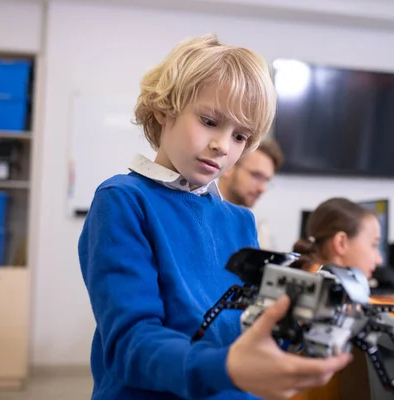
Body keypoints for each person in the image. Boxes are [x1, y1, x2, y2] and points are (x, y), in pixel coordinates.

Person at [78, 35, 352, 400]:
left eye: (240, 136)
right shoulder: (124, 201)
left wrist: (296, 329)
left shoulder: (240, 221)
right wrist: (228, 367)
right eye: (209, 121)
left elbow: (249, 328)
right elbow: (131, 343)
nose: (223, 146)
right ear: (165, 108)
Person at [292, 197, 394, 328]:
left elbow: (371, 303)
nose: (378, 259)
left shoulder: (306, 280)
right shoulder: (338, 301)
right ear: (341, 243)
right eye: (374, 245)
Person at [218, 139, 284, 249]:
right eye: (256, 176)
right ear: (228, 168)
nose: (262, 188)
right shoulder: (198, 213)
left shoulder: (259, 226)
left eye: (266, 180)